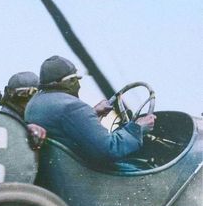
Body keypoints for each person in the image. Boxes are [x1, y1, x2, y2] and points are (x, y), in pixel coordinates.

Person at [25, 55, 156, 165]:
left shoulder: (35, 102)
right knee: (145, 167)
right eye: (76, 79)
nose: (79, 85)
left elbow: (64, 125)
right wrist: (137, 128)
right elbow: (110, 149)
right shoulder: (73, 107)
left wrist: (93, 113)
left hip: (59, 170)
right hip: (85, 174)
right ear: (69, 81)